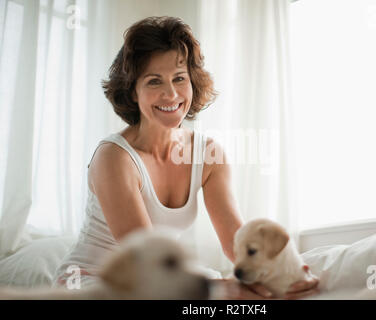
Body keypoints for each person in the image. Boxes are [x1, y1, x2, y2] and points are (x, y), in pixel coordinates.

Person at [52, 16, 318, 299]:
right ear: (132, 91)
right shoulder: (113, 158)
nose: (171, 93)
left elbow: (237, 245)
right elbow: (147, 263)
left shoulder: (209, 155)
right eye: (154, 81)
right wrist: (223, 290)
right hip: (95, 282)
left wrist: (286, 271)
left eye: (180, 78)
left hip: (159, 281)